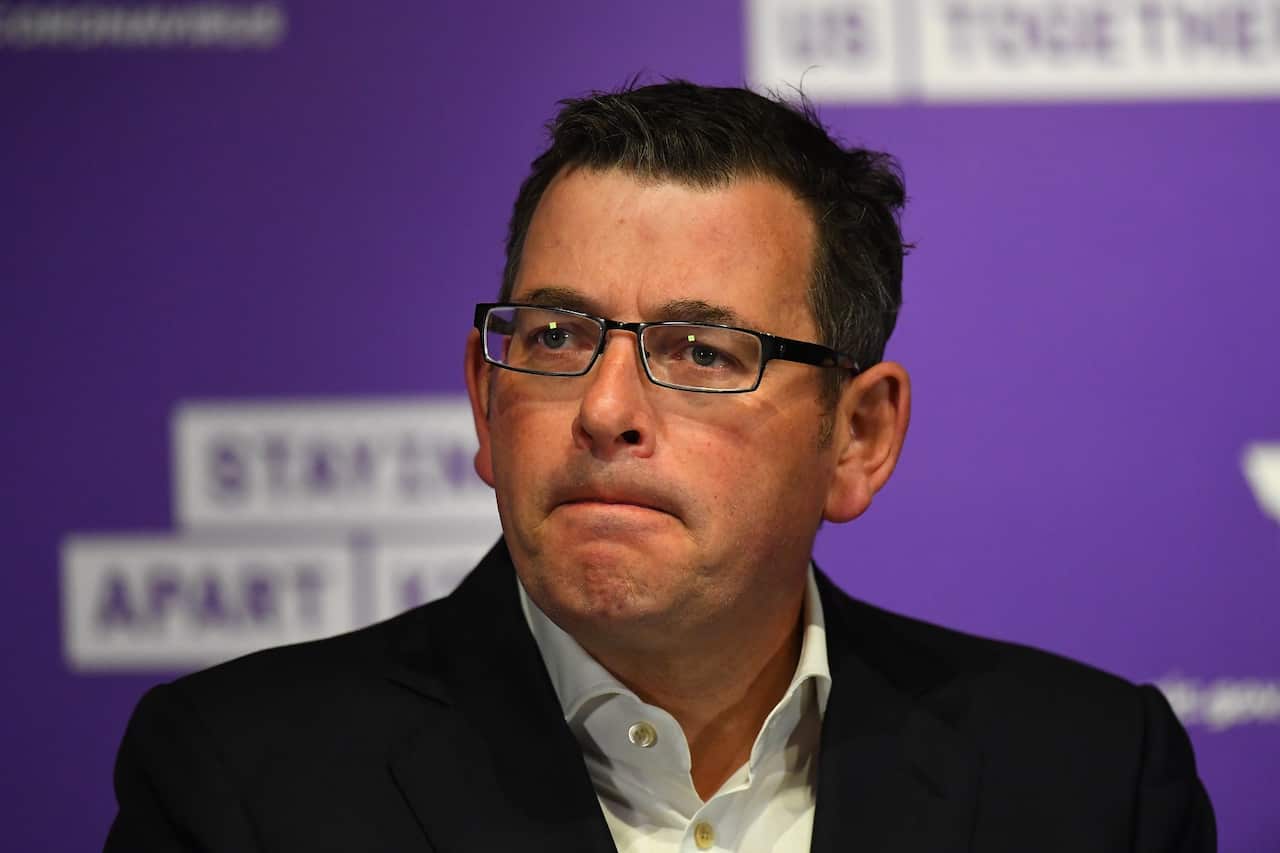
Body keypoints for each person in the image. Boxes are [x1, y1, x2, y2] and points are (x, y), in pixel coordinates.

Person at [106, 81, 1215, 852]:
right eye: (551, 337)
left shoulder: (1083, 779)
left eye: (698, 350)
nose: (602, 408)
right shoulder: (243, 781)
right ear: (484, 404)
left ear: (857, 437)